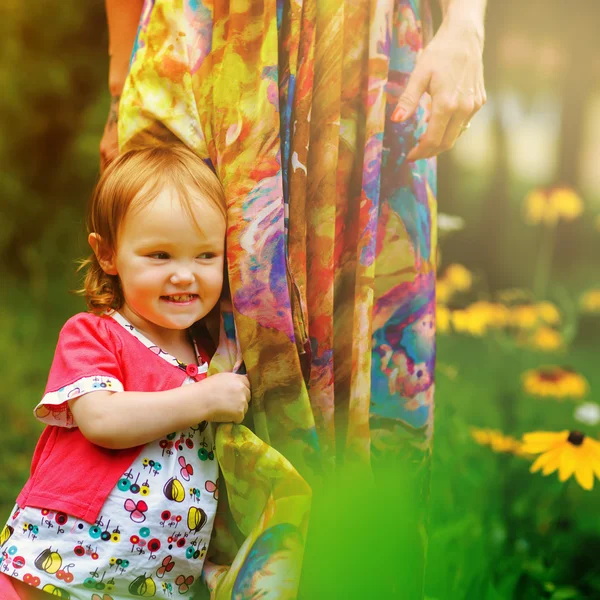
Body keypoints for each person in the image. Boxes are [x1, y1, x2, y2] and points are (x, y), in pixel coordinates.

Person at [101, 0, 487, 597]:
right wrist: (118, 74)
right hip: (200, 46)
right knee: (178, 340)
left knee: (360, 399)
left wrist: (467, 23)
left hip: (361, 60)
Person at [0, 145, 251, 600]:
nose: (184, 275)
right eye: (160, 256)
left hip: (146, 583)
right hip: (59, 566)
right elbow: (102, 420)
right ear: (108, 254)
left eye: (205, 256)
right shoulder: (94, 334)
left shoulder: (211, 352)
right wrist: (203, 399)